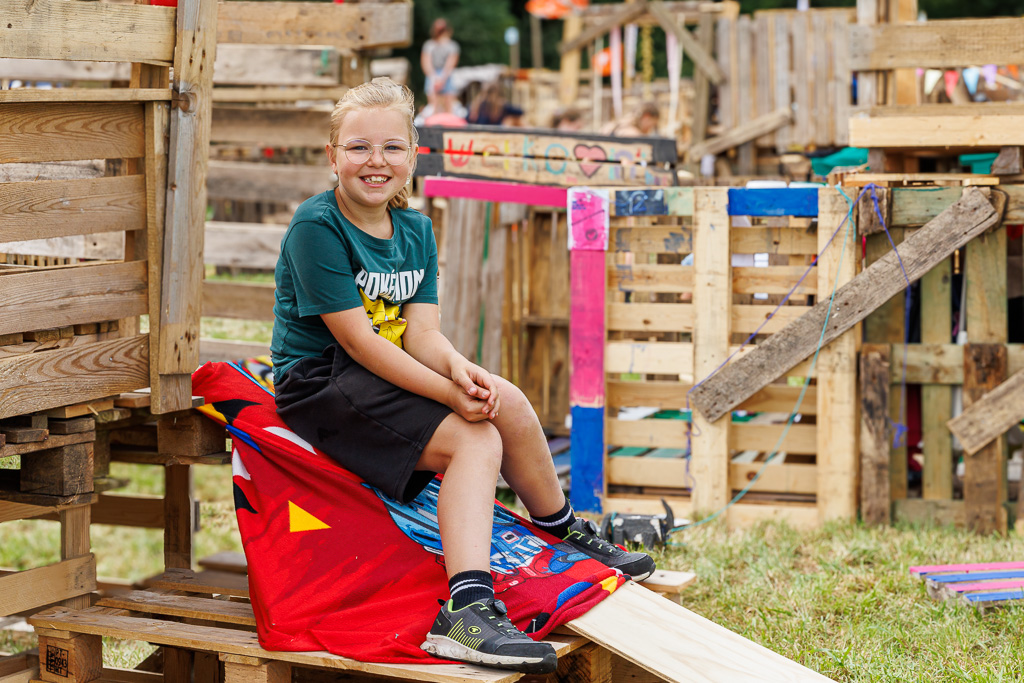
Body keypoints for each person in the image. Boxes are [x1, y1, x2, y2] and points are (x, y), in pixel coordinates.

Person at [270, 79, 655, 674]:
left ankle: (561, 530)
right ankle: (467, 610)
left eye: (392, 148)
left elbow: (420, 334)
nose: (376, 162)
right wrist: (449, 397)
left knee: (508, 402)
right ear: (332, 156)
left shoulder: (417, 231)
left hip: (377, 372)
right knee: (475, 440)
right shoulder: (316, 226)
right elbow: (359, 341)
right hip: (320, 380)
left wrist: (463, 373)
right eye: (358, 148)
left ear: (414, 156)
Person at [421, 18, 460, 114]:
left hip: (447, 75)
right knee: (433, 105)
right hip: (433, 74)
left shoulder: (452, 46)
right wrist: (434, 77)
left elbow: (450, 64)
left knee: (449, 106)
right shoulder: (429, 45)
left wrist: (442, 78)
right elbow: (426, 63)